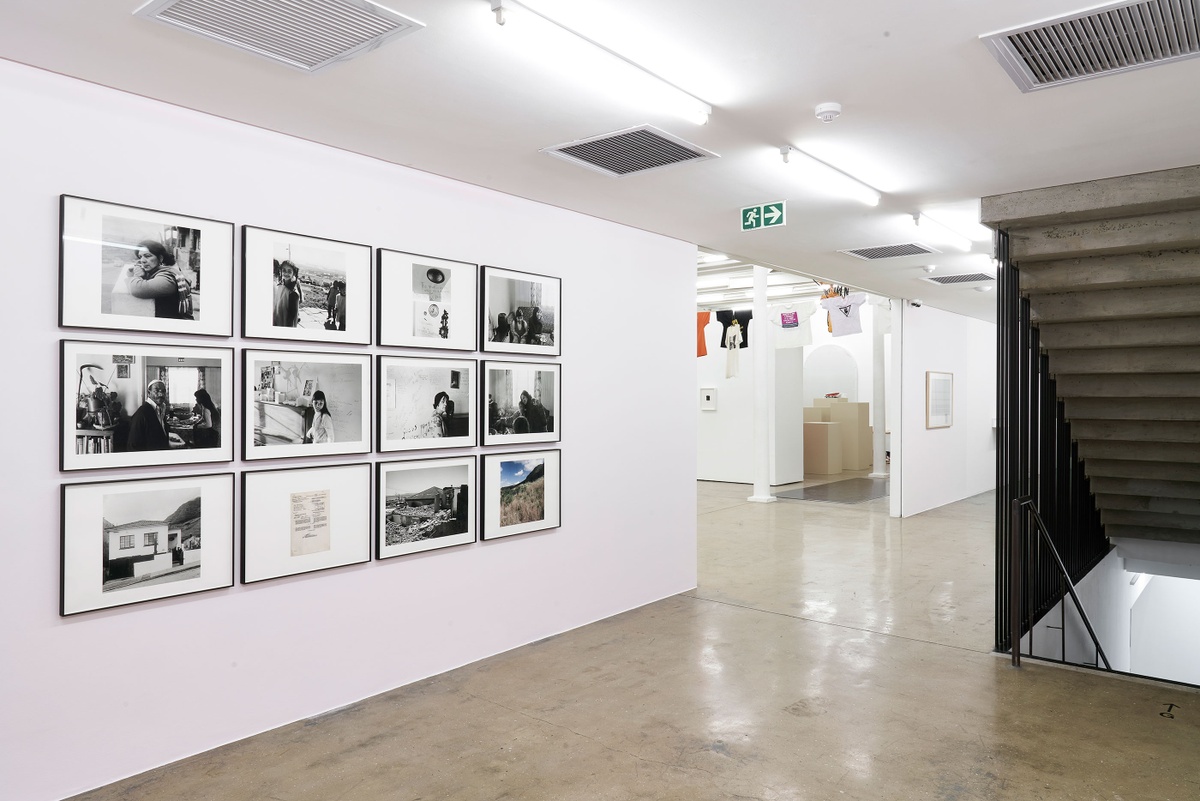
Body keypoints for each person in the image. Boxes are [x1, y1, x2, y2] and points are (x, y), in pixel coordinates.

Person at [119, 240, 193, 320]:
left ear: (160, 258)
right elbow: (131, 271)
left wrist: (137, 275)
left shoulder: (168, 278)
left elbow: (137, 288)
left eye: (147, 256)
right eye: (140, 257)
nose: (142, 260)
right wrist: (137, 270)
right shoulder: (161, 270)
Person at [127, 380, 172, 451]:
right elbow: (133, 446)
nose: (161, 394)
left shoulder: (161, 409)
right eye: (156, 391)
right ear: (148, 393)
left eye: (163, 391)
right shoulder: (141, 413)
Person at [273, 260, 301, 327]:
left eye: (289, 271)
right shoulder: (280, 286)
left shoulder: (293, 293)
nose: (286, 273)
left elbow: (291, 320)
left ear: (293, 273)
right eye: (284, 270)